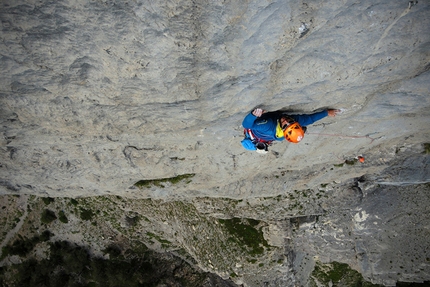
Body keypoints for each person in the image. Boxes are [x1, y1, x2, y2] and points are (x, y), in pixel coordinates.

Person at [241, 108, 340, 153]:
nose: (286, 120)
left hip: (257, 130)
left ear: (284, 130)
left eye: (285, 125)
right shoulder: (293, 122)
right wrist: (326, 113)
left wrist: (253, 115)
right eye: (290, 121)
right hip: (266, 134)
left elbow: (246, 125)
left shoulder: (267, 125)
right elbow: (310, 119)